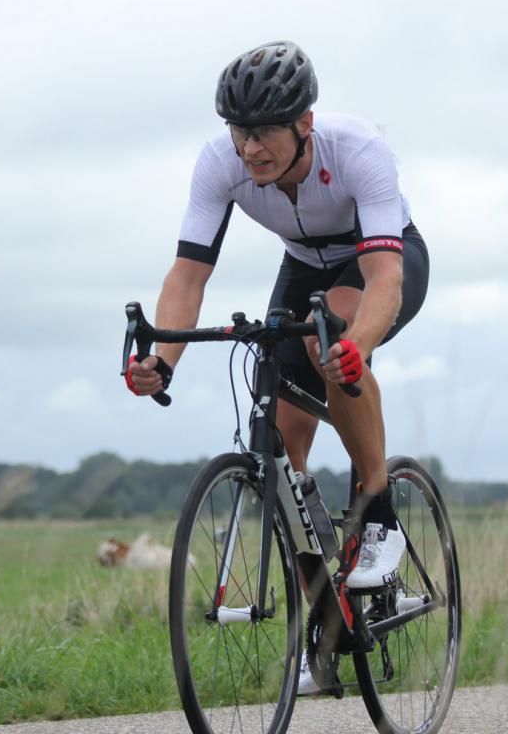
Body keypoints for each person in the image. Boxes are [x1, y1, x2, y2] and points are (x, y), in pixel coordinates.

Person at [125, 41, 430, 694]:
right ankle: (329, 622)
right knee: (282, 447)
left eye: (264, 132)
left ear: (304, 124)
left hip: (381, 261)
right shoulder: (220, 163)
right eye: (239, 131)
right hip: (303, 266)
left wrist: (355, 344)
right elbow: (188, 274)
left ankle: (379, 514)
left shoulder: (359, 151)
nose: (249, 148)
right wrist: (162, 360)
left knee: (329, 342)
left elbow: (384, 278)